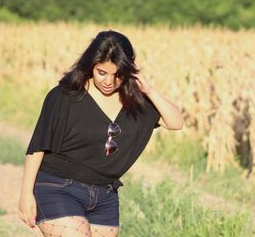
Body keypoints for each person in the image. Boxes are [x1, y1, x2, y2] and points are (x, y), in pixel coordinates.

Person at [18, 30, 184, 237]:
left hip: (105, 196)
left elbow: (176, 122)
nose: (109, 81)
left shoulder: (137, 102)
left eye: (118, 75)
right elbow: (38, 146)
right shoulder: (65, 96)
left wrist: (148, 89)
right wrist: (26, 194)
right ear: (90, 66)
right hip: (58, 187)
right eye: (101, 73)